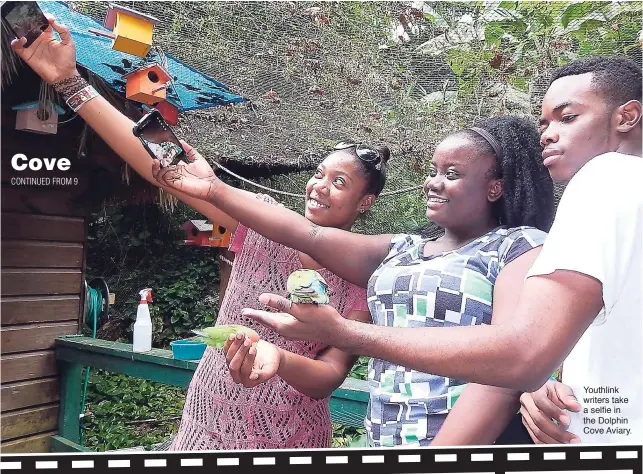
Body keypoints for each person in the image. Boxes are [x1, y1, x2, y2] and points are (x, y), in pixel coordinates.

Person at [152, 56, 641, 445]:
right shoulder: (405, 249)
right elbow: (308, 235)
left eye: (452, 174)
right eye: (433, 170)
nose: (432, 182)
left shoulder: (522, 246)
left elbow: (509, 365)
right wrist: (215, 190)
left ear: (494, 188)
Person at [10, 15, 386, 450]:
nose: (319, 186)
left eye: (339, 182)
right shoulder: (262, 220)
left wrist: (277, 358)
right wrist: (70, 83)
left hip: (288, 439)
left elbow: (329, 378)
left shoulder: (364, 280)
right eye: (319, 173)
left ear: (365, 203)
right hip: (204, 424)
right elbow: (160, 172)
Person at [517, 56, 642, 444]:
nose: (547, 135)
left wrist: (351, 333)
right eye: (545, 124)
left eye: (567, 117)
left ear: (628, 116)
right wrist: (548, 382)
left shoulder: (606, 176)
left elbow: (524, 351)